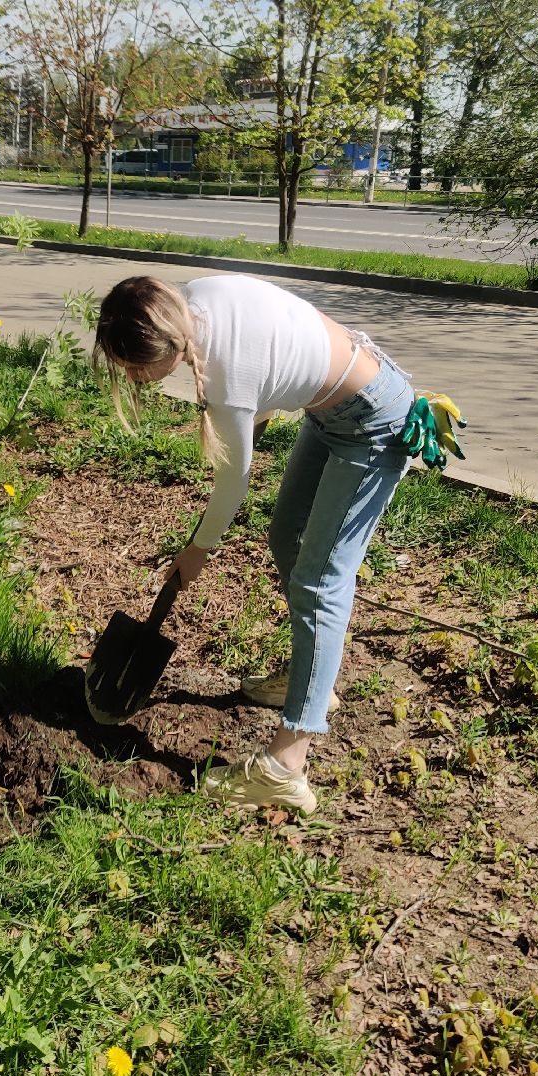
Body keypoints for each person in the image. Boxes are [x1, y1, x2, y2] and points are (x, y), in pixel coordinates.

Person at [94, 274, 462, 816]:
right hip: (330, 407)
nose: (132, 376)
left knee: (321, 579)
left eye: (134, 367)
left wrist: (197, 549)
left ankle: (287, 763)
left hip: (373, 421)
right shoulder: (192, 300)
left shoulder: (223, 373)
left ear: (168, 346)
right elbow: (273, 342)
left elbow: (233, 484)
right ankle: (311, 678)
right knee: (285, 535)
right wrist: (257, 409)